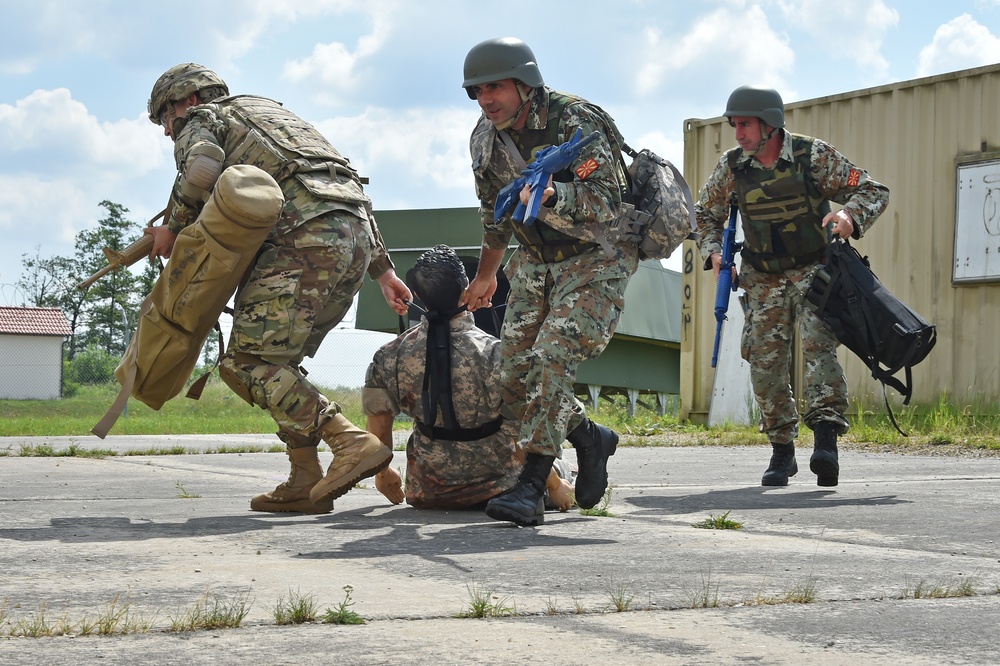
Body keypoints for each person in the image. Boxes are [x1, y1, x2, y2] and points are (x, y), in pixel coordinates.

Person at [146, 63, 411, 514]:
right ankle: (304, 476)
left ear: (186, 101)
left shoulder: (204, 117)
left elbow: (204, 166)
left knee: (248, 362)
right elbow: (335, 181)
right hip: (354, 238)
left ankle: (348, 441)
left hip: (300, 238)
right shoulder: (273, 115)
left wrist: (172, 227)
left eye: (165, 122)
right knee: (280, 362)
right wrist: (382, 271)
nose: (169, 133)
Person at [460, 38, 639, 526]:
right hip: (536, 262)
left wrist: (555, 192)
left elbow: (607, 201)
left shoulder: (574, 121)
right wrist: (486, 275)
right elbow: (492, 213)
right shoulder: (485, 138)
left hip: (595, 259)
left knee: (551, 355)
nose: (486, 100)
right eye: (477, 91)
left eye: (495, 87)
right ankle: (589, 437)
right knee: (513, 375)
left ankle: (533, 483)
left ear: (524, 82)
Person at [695, 85, 889, 488]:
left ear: (770, 124)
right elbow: (704, 216)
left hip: (814, 270)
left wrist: (849, 217)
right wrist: (714, 252)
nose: (738, 134)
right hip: (762, 276)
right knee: (764, 363)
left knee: (820, 347)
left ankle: (826, 441)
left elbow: (872, 190)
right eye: (734, 125)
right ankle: (782, 451)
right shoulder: (732, 167)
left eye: (745, 124)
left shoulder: (811, 156)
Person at [362, 244, 575, 512]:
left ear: (415, 294)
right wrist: (555, 486)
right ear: (467, 290)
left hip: (429, 491)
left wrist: (383, 476)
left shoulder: (388, 356)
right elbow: (520, 433)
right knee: (564, 462)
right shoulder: (497, 353)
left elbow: (378, 429)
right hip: (502, 488)